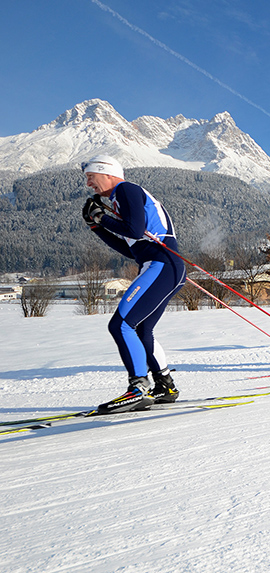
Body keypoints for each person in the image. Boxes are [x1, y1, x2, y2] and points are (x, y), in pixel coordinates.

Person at [80, 155, 186, 413]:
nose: (89, 184)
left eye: (90, 177)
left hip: (161, 265)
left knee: (121, 324)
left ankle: (138, 388)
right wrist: (97, 227)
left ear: (106, 172)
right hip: (163, 265)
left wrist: (102, 218)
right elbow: (132, 249)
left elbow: (135, 231)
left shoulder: (125, 189)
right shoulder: (119, 199)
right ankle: (164, 385)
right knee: (141, 329)